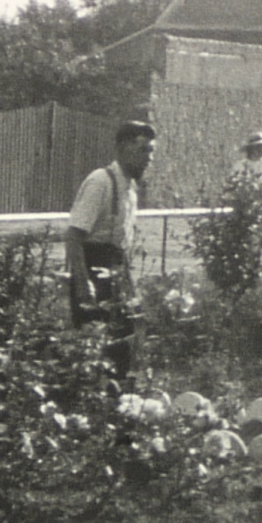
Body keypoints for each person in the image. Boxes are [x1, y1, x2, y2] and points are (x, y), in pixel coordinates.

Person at [65, 120, 156, 379]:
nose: (148, 158)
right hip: (92, 269)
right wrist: (83, 284)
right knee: (92, 348)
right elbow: (73, 236)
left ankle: (118, 407)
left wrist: (130, 286)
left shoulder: (131, 190)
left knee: (122, 345)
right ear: (123, 149)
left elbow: (121, 246)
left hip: (116, 269)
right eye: (143, 151)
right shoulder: (100, 181)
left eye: (151, 152)